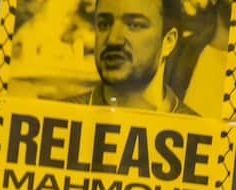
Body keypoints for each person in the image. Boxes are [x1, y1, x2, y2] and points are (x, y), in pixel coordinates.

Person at [70, 0, 198, 113]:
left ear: (168, 41)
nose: (113, 39)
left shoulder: (197, 133)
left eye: (134, 25)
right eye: (104, 24)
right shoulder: (60, 118)